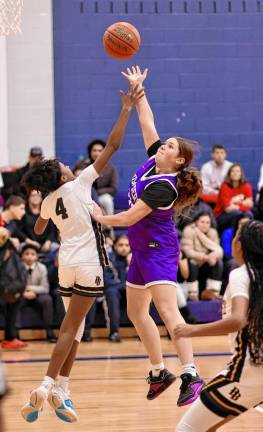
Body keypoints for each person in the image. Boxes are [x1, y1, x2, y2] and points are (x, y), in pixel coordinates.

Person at [20, 84, 144, 423]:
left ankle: (63, 390)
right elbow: (114, 145)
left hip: (66, 265)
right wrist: (127, 109)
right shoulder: (80, 183)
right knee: (70, 328)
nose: (69, 165)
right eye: (64, 165)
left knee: (74, 328)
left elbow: (39, 229)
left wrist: (42, 213)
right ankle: (47, 385)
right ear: (62, 174)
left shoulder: (47, 200)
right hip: (88, 264)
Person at [92, 66, 204, 406]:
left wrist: (100, 218)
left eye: (168, 145)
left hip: (159, 250)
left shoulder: (163, 187)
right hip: (142, 250)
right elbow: (147, 123)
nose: (162, 144)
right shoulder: (155, 162)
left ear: (178, 159)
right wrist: (140, 92)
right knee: (136, 313)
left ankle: (190, 373)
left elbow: (129, 217)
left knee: (169, 314)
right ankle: (158, 371)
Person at [174, 220, 263, 432]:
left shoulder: (242, 274)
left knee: (187, 429)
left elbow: (238, 320)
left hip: (249, 371)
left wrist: (191, 330)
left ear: (239, 245)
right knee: (208, 425)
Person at [181, 212, 224, 300]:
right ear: (196, 222)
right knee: (192, 262)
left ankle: (212, 292)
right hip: (193, 260)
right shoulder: (189, 230)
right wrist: (205, 257)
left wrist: (213, 256)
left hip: (207, 261)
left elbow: (219, 251)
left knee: (218, 263)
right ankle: (192, 293)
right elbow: (187, 251)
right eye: (202, 222)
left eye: (207, 222)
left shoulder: (213, 232)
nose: (205, 225)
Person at [20, 244, 56, 343]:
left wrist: (31, 290)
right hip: (22, 294)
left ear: (36, 256)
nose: (29, 256)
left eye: (32, 254)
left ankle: (49, 332)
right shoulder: (18, 267)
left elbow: (45, 288)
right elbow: (16, 285)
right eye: (26, 254)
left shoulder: (42, 268)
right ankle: (15, 334)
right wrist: (23, 292)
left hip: (37, 295)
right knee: (14, 300)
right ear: (22, 256)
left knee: (47, 299)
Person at [214, 163, 253, 233]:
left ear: (241, 174)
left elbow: (250, 205)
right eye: (233, 171)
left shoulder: (247, 185)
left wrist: (233, 202)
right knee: (237, 214)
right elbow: (227, 209)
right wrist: (242, 203)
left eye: (238, 171)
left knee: (249, 215)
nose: (235, 173)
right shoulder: (224, 186)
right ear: (229, 174)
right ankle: (234, 238)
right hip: (221, 215)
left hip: (240, 212)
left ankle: (249, 237)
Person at [86, 139, 118, 215]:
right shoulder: (83, 164)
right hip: (85, 196)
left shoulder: (111, 168)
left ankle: (109, 225)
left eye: (100, 151)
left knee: (107, 200)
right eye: (94, 150)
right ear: (90, 152)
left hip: (100, 196)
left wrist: (96, 192)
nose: (97, 153)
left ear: (104, 153)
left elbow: (113, 188)